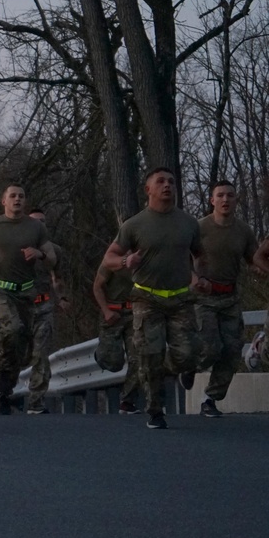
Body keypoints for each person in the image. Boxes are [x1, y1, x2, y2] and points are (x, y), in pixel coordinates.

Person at [103, 167, 208, 429]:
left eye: (171, 182)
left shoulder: (188, 223)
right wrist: (127, 260)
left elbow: (199, 255)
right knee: (149, 354)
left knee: (191, 352)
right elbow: (110, 257)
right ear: (148, 189)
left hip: (181, 299)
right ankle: (155, 410)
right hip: (147, 298)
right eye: (160, 181)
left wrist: (199, 277)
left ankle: (179, 367)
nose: (167, 185)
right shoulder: (135, 225)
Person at [193, 181, 263, 416]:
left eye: (230, 195)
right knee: (210, 348)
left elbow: (255, 259)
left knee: (232, 350)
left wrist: (260, 269)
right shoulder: (199, 228)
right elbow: (180, 258)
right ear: (212, 200)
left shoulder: (243, 230)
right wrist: (193, 278)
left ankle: (210, 399)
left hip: (230, 297)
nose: (225, 200)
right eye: (220, 195)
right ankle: (189, 365)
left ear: (236, 199)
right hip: (204, 298)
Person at [0, 184, 54, 414]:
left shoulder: (35, 227)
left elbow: (53, 257)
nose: (17, 199)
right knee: (12, 329)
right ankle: (1, 386)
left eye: (21, 196)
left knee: (21, 349)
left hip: (25, 294)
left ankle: (3, 389)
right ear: (3, 201)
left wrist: (40, 254)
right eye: (13, 196)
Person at [25, 208, 69, 414]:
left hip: (43, 305)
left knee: (41, 353)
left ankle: (36, 400)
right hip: (18, 306)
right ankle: (1, 392)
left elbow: (57, 278)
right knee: (13, 351)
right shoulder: (15, 247)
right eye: (35, 222)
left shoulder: (54, 251)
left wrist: (62, 298)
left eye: (43, 222)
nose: (39, 226)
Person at [92, 264, 142, 414]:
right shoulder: (112, 259)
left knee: (138, 358)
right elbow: (97, 286)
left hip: (135, 313)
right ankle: (101, 355)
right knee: (113, 362)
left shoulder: (146, 257)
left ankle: (127, 401)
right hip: (113, 313)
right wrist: (106, 311)